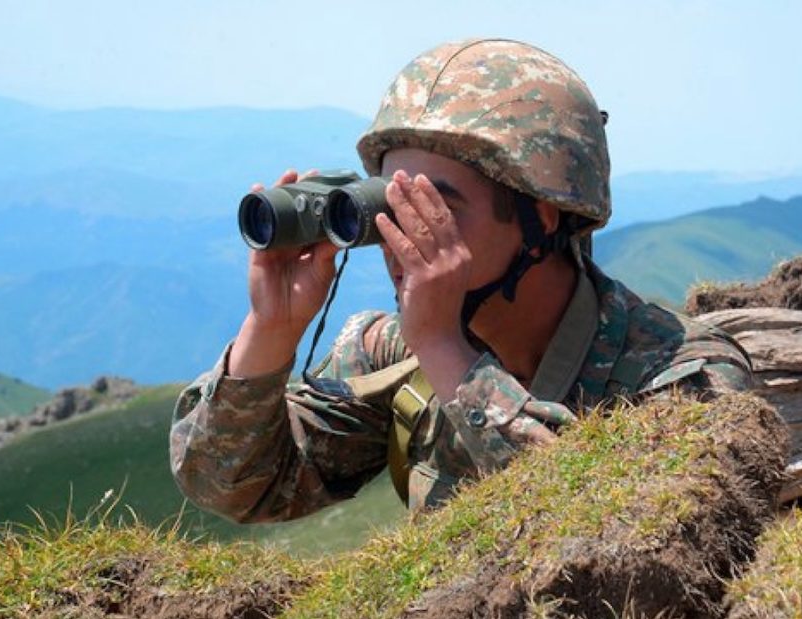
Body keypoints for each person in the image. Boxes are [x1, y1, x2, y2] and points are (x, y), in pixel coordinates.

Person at [170, 38, 752, 521]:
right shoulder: (389, 354)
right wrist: (270, 330)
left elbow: (609, 534)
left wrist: (446, 350)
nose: (405, 237)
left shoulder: (683, 375)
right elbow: (234, 487)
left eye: (436, 209)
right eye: (391, 206)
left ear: (539, 217)